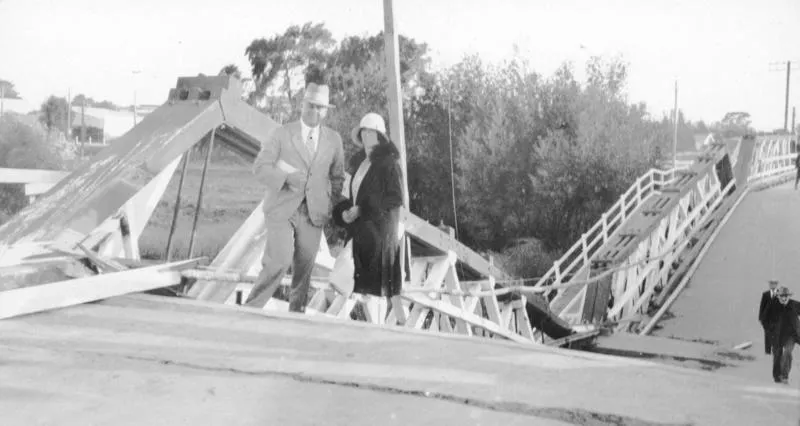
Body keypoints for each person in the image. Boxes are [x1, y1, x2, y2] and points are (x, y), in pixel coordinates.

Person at [245, 72, 345, 313]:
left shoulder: (334, 140)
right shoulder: (282, 134)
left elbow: (338, 177)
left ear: (326, 111)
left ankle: (296, 317)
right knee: (278, 260)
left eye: (320, 108)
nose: (315, 111)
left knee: (304, 270)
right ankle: (250, 310)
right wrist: (286, 178)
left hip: (314, 213)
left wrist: (331, 206)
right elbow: (260, 168)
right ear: (302, 105)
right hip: (282, 209)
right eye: (311, 106)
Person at [332, 112, 405, 324]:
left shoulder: (389, 164)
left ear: (380, 137)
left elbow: (395, 198)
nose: (367, 136)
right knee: (352, 281)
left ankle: (348, 325)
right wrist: (344, 213)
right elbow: (350, 197)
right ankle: (349, 325)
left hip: (379, 235)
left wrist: (363, 209)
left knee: (366, 285)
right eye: (364, 132)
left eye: (372, 132)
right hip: (360, 232)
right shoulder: (359, 166)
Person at [764, 286, 800, 384]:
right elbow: (766, 320)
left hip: (791, 336)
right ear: (778, 297)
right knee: (777, 355)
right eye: (781, 296)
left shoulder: (794, 304)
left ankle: (785, 376)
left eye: (786, 296)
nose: (784, 298)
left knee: (787, 352)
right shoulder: (773, 307)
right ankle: (777, 376)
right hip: (777, 336)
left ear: (789, 296)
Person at [759, 279, 779, 354]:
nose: (773, 285)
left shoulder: (780, 294)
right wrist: (761, 318)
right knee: (767, 336)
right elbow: (762, 306)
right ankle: (767, 352)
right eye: (771, 284)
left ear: (776, 285)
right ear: (769, 285)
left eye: (774, 284)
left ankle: (776, 351)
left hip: (777, 320)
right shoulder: (765, 294)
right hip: (767, 320)